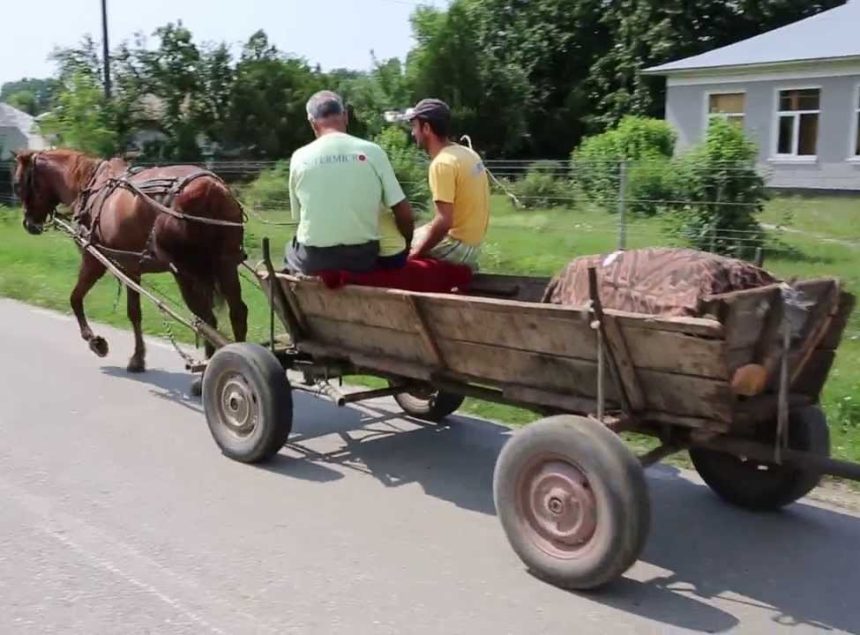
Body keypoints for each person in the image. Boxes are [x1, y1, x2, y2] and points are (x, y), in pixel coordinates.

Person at [286, 90, 414, 274]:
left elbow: (298, 217)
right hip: (362, 258)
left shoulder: (299, 157)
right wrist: (407, 242)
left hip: (314, 259)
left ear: (312, 123)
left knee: (289, 250)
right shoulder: (372, 151)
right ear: (345, 116)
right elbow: (403, 211)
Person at [406, 98, 490, 271]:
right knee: (415, 234)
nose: (413, 133)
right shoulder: (467, 153)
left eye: (414, 126)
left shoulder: (442, 163)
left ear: (426, 128)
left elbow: (444, 221)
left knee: (395, 245)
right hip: (473, 246)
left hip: (457, 248)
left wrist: (415, 254)